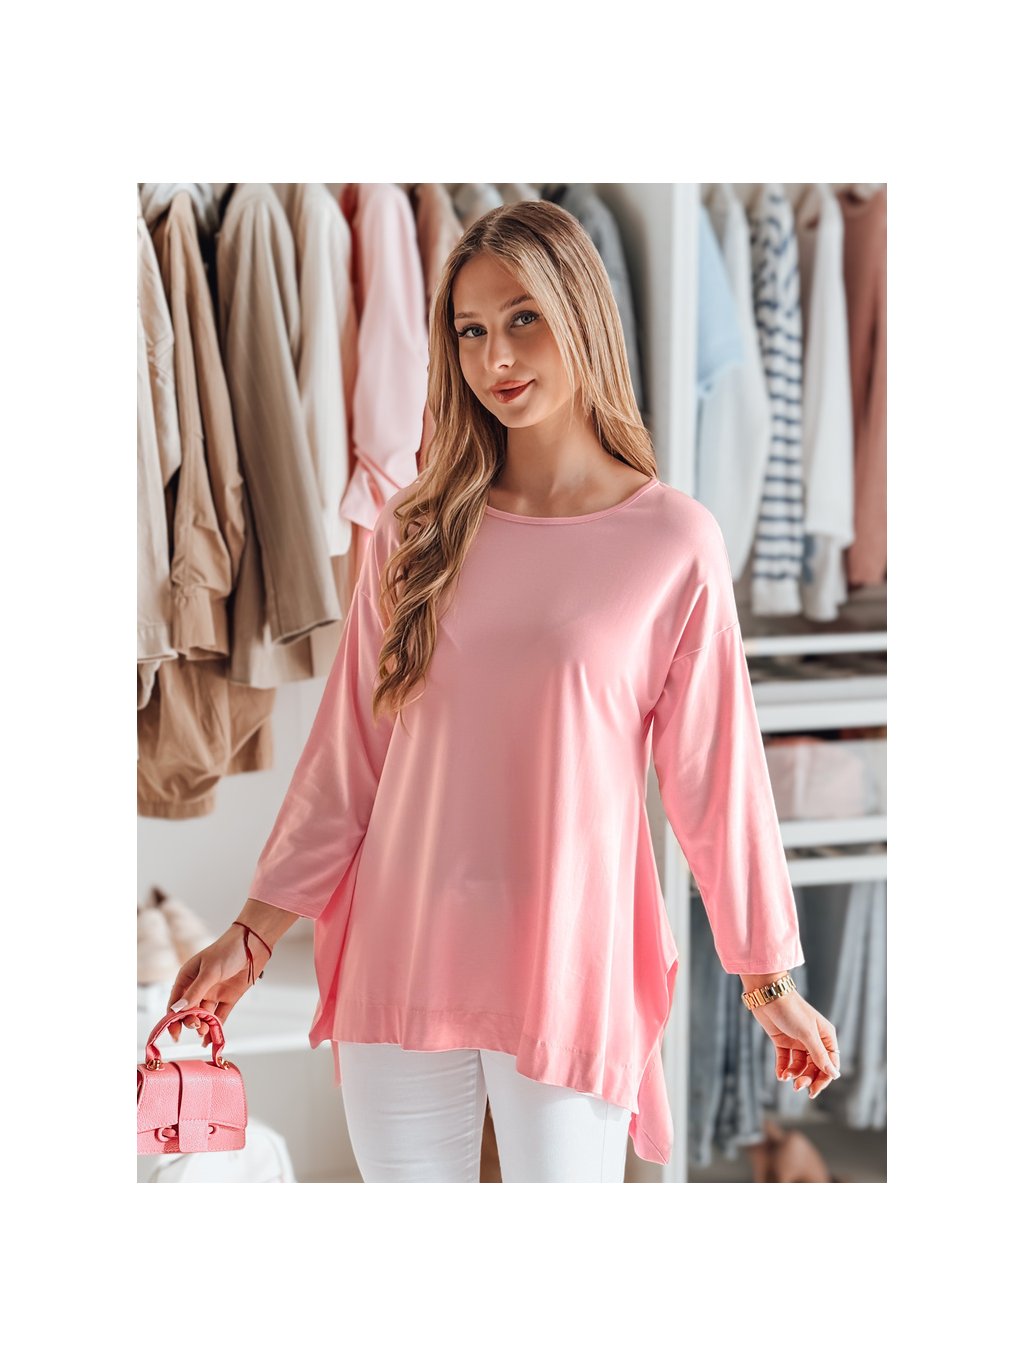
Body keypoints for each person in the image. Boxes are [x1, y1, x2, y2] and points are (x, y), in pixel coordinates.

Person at [166, 198, 840, 1183]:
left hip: (567, 961)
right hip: (403, 946)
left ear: (581, 316)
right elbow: (348, 761)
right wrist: (254, 932)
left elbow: (717, 780)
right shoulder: (413, 530)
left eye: (523, 318)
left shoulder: (671, 541)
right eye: (471, 330)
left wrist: (768, 977)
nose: (497, 358)